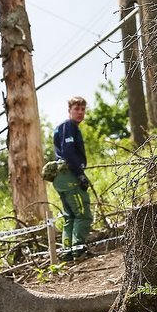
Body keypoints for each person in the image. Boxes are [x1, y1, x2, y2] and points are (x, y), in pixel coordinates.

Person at [52, 96, 93, 261]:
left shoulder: (62, 128)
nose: (80, 113)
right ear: (69, 110)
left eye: (83, 109)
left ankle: (67, 252)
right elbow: (68, 152)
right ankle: (78, 250)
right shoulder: (69, 126)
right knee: (83, 214)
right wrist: (80, 175)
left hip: (60, 178)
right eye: (77, 109)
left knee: (70, 216)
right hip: (69, 176)